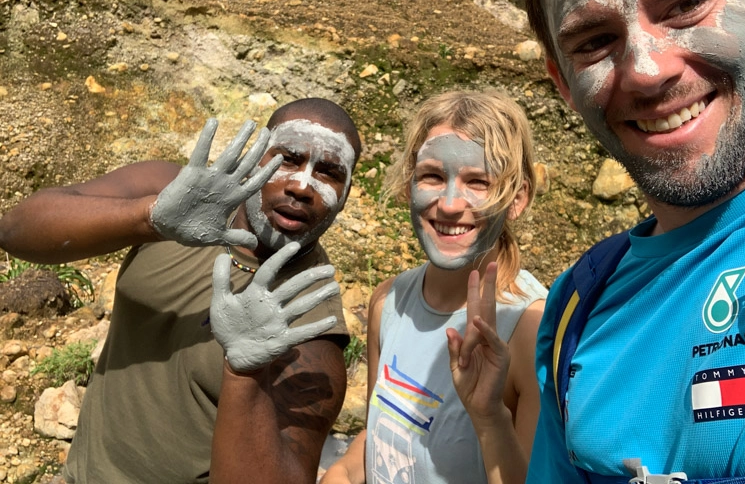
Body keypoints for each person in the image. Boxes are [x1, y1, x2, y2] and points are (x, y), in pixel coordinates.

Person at [518, 0, 745, 481]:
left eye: (687, 4)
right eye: (594, 42)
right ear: (562, 81)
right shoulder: (575, 307)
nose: (647, 71)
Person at [0, 97, 362, 484]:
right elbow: (15, 230)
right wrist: (149, 218)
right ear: (258, 154)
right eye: (288, 157)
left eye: (328, 172)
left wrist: (247, 371)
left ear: (344, 196)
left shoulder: (310, 327)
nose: (301, 185)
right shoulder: (175, 193)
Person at [319, 89, 548, 484]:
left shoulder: (530, 329)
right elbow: (383, 436)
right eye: (433, 176)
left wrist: (490, 419)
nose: (449, 204)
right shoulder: (389, 302)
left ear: (518, 198)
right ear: (410, 183)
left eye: (479, 182)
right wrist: (340, 472)